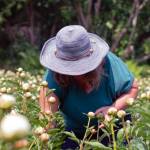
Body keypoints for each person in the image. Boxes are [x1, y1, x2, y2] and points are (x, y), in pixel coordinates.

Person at [39, 25, 138, 149]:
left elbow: (133, 89)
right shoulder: (53, 78)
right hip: (76, 133)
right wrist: (47, 141)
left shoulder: (110, 64)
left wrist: (113, 108)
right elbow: (48, 120)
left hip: (115, 128)